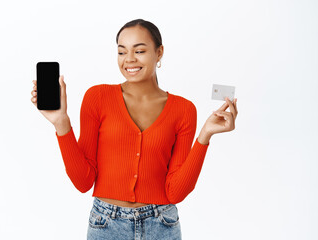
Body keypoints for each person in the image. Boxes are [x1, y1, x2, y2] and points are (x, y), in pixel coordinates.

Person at [31, 19, 238, 240]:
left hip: (162, 224)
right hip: (106, 225)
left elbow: (175, 192)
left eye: (139, 50)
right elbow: (83, 181)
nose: (129, 59)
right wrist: (61, 123)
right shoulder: (97, 98)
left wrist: (204, 135)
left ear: (159, 53)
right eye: (122, 52)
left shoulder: (184, 110)